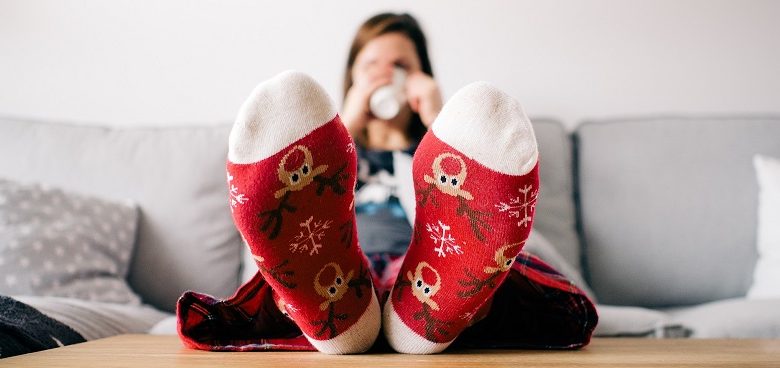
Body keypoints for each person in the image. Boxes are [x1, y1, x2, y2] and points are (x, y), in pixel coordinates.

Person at [175, 12, 596, 355]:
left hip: (430, 268)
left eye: (402, 68)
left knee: (480, 271)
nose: (386, 77)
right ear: (352, 80)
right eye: (371, 67)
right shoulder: (323, 154)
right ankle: (355, 316)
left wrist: (440, 122)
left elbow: (516, 235)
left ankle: (405, 317)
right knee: (297, 275)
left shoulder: (456, 157)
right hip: (332, 266)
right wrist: (346, 126)